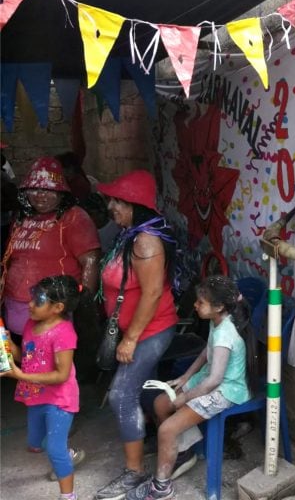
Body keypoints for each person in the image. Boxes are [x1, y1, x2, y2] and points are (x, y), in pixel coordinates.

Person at [127, 275, 259, 500]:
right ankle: (183, 452)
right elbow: (207, 352)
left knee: (166, 429)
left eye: (200, 302)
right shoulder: (216, 321)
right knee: (161, 404)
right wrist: (186, 377)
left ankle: (162, 487)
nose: (195, 305)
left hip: (226, 391)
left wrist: (186, 396)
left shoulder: (226, 333)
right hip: (209, 379)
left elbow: (215, 381)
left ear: (218, 307)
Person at [94, 170, 180, 500]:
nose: (111, 206)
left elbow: (153, 292)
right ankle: (182, 438)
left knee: (121, 395)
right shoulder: (129, 233)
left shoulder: (146, 241)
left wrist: (131, 339)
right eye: (112, 199)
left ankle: (133, 473)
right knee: (145, 389)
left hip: (152, 329)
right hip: (136, 328)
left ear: (135, 205)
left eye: (118, 201)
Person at [0, 275, 87, 500]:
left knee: (54, 449)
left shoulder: (64, 333)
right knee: (36, 443)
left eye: (37, 301)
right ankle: (68, 454)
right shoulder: (31, 324)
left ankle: (68, 495)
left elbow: (62, 374)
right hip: (36, 395)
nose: (29, 304)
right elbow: (26, 356)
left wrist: (21, 375)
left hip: (60, 399)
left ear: (57, 307)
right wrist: (9, 345)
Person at [1, 157, 101, 343]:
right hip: (14, 308)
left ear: (62, 193)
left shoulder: (74, 217)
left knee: (48, 364)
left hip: (54, 309)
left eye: (48, 190)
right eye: (35, 189)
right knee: (16, 362)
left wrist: (83, 303)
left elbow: (91, 260)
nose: (40, 195)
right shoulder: (21, 217)